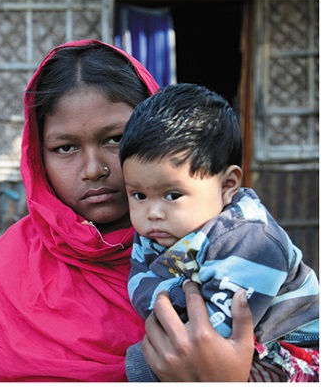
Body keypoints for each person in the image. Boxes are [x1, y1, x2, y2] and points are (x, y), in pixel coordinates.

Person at [0, 40, 254, 382]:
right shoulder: (7, 267)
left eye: (115, 139)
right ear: (37, 157)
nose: (93, 169)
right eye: (66, 147)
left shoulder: (229, 248)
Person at [120, 83, 319, 382]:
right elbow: (137, 284)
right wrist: (174, 295)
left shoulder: (252, 240)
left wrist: (166, 300)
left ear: (227, 185)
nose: (153, 212)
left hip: (290, 350)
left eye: (172, 195)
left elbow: (216, 332)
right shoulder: (157, 231)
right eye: (138, 195)